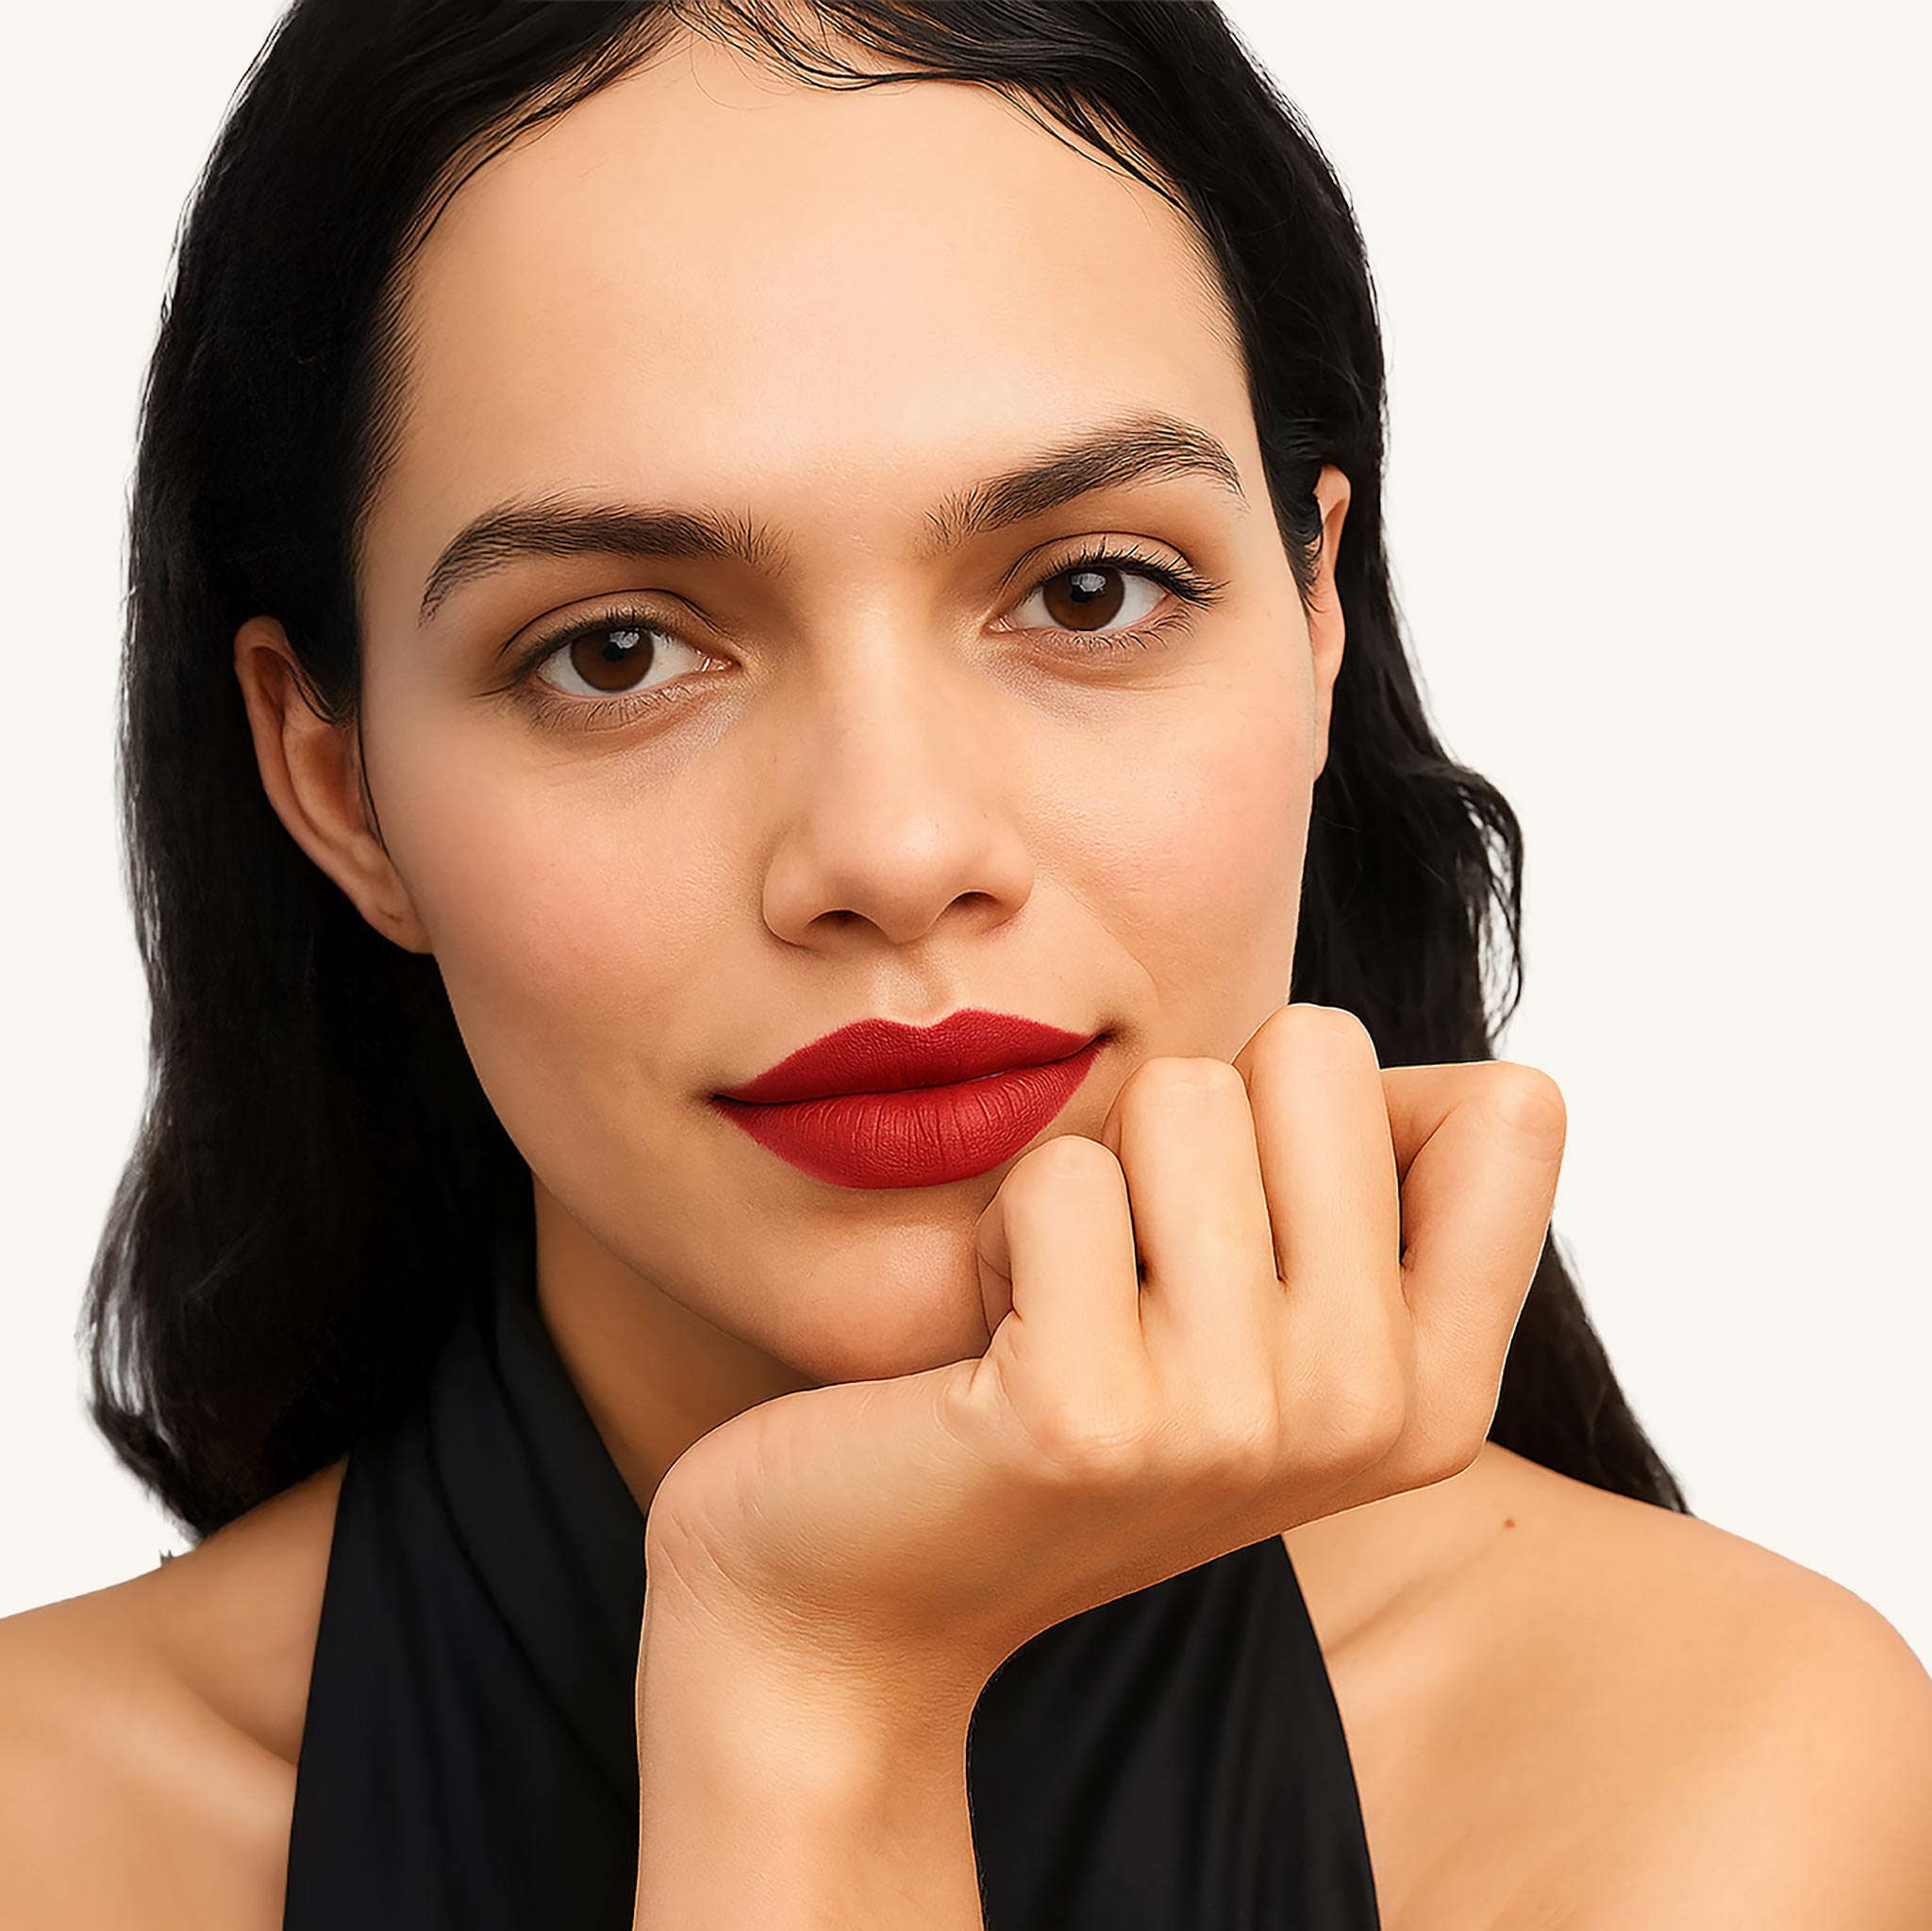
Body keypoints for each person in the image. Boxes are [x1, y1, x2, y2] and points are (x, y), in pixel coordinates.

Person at [3, 2, 1928, 1925]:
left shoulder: (1710, 1766)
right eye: (614, 649)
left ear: (1315, 615)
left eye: (1091, 589)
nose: (897, 851)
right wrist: (807, 1676)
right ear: (336, 778)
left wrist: (820, 1680)